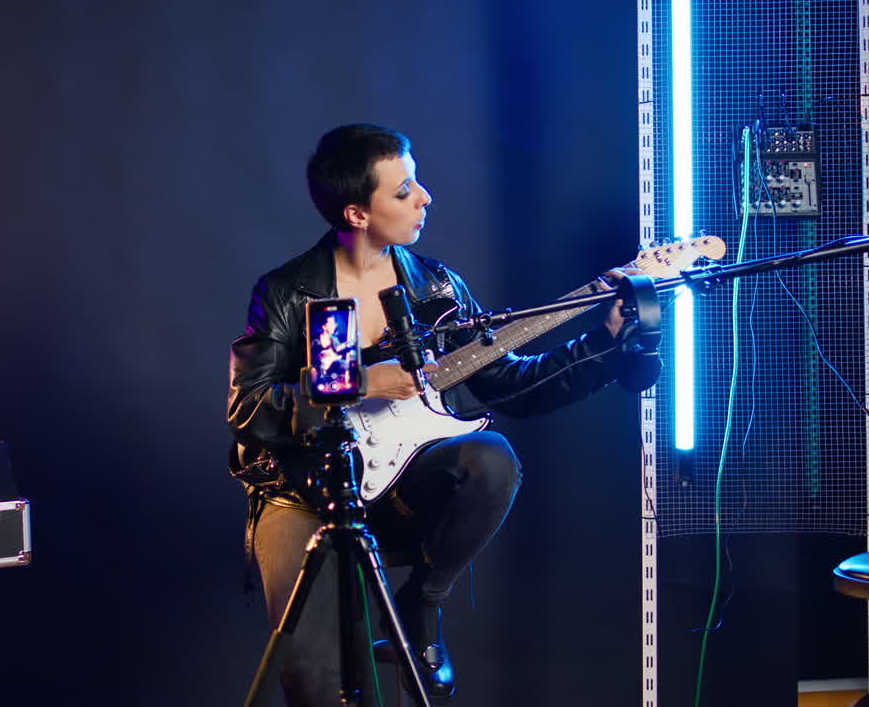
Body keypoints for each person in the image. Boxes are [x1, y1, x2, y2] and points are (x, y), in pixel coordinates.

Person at [227, 123, 655, 706]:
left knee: (490, 459)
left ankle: (421, 602)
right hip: (302, 490)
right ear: (356, 213)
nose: (424, 197)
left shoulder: (437, 288)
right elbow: (248, 408)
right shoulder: (288, 292)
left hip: (402, 484)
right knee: (314, 679)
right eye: (403, 191)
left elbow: (514, 387)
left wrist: (602, 342)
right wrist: (356, 383)